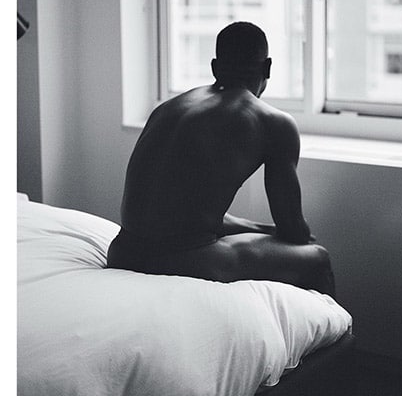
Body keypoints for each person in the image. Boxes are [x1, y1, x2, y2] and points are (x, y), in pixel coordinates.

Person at [107, 22, 335, 296]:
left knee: (227, 233)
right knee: (318, 258)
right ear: (268, 68)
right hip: (181, 260)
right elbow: (294, 231)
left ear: (215, 67)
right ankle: (332, 336)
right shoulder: (274, 122)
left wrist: (265, 230)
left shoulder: (169, 108)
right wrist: (286, 233)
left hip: (121, 253)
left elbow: (187, 215)